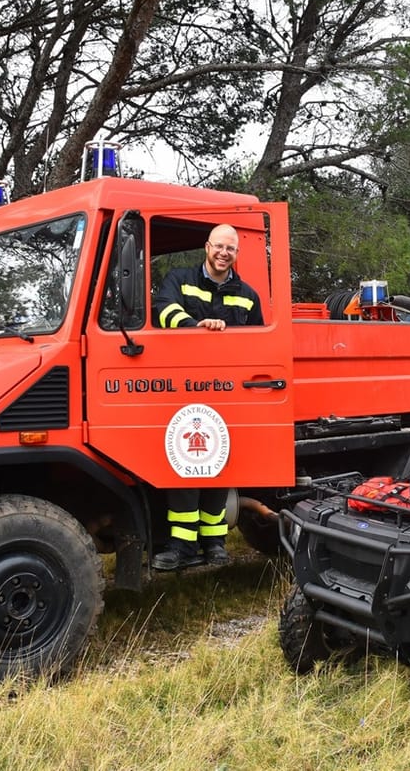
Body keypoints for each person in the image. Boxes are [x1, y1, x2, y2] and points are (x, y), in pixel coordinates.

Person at [150, 224, 264, 571]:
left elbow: (257, 340)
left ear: (236, 253)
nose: (223, 253)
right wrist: (193, 328)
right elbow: (161, 309)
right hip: (183, 388)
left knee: (220, 464)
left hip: (227, 391)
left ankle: (214, 543)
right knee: (186, 464)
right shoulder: (180, 279)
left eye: (231, 248)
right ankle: (182, 546)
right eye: (219, 246)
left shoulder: (248, 294)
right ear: (207, 247)